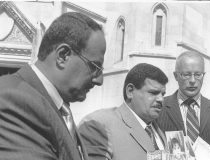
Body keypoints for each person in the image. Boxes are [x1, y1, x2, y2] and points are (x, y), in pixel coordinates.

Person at [0, 12, 106, 160]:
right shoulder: (15, 100)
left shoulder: (56, 105)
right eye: (95, 67)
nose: (99, 80)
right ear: (63, 55)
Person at [78, 63, 169, 160]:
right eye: (153, 93)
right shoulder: (98, 125)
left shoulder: (159, 129)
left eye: (162, 94)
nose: (161, 99)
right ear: (130, 91)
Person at [156, 51, 210, 159]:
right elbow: (150, 149)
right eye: (186, 74)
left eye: (198, 75)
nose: (192, 80)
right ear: (176, 76)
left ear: (203, 76)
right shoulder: (159, 107)